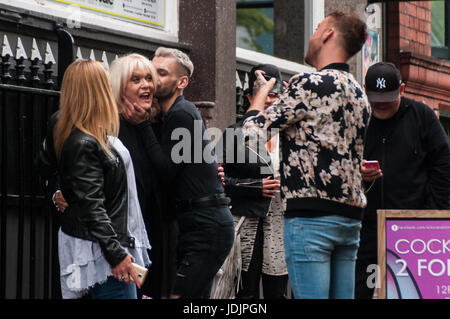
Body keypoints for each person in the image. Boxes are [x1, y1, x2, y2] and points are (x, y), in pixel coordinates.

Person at [241, 11, 371, 299]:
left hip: (311, 217)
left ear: (327, 34)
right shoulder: (359, 92)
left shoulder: (308, 84)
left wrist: (261, 94)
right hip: (350, 218)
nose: (311, 36)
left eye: (316, 29)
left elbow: (250, 135)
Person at [51, 53, 178, 299]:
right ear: (118, 86)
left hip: (146, 230)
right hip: (112, 240)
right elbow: (71, 171)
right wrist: (59, 190)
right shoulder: (102, 129)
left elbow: (168, 176)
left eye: (149, 78)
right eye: (136, 79)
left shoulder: (161, 121)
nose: (147, 85)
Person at [123, 47, 234, 298]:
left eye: (160, 74)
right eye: (150, 73)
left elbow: (166, 171)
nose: (152, 81)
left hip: (206, 226)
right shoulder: (170, 115)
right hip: (198, 223)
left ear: (181, 82)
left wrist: (142, 126)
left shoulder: (181, 114)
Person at [36, 59, 151, 299]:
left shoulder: (92, 131)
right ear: (99, 89)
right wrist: (116, 254)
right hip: (103, 256)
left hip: (105, 247)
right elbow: (92, 206)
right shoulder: (83, 141)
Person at [355, 62, 450, 299]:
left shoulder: (422, 116)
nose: (382, 104)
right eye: (375, 98)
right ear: (365, 89)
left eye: (389, 97)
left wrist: (431, 215)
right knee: (362, 292)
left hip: (412, 229)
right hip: (366, 227)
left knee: (411, 293)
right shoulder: (356, 118)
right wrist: (356, 173)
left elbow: (444, 165)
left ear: (403, 89)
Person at [218, 64, 288, 299]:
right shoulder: (235, 133)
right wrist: (254, 187)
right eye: (264, 94)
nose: (270, 100)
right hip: (246, 219)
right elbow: (218, 180)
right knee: (244, 290)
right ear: (249, 97)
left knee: (277, 290)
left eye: (275, 95)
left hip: (282, 222)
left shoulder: (291, 134)